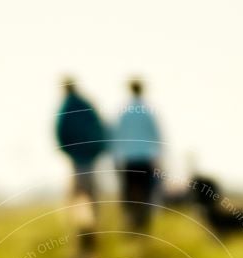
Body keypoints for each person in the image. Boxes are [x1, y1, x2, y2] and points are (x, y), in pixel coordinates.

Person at [54, 79, 107, 234]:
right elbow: (99, 127)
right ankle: (93, 226)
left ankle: (80, 228)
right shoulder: (87, 105)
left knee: (77, 194)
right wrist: (97, 149)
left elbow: (60, 132)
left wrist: (68, 152)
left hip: (76, 160)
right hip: (90, 158)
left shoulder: (65, 108)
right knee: (91, 194)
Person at [111, 79, 162, 232]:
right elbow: (156, 137)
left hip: (128, 160)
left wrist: (116, 159)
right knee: (146, 194)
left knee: (130, 194)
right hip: (146, 160)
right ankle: (144, 227)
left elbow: (116, 137)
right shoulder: (148, 112)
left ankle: (131, 225)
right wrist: (158, 158)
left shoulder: (123, 112)